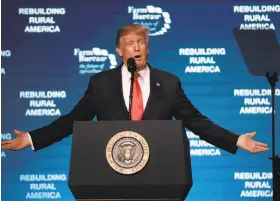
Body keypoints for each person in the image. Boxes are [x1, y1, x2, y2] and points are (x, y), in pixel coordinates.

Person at [1, 24, 269, 154]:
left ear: (148, 48)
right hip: (112, 169)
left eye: (141, 42)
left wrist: (235, 140)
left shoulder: (169, 82)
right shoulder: (101, 83)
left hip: (161, 169)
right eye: (130, 43)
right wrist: (32, 138)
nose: (137, 47)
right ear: (119, 50)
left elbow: (196, 121)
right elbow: (74, 120)